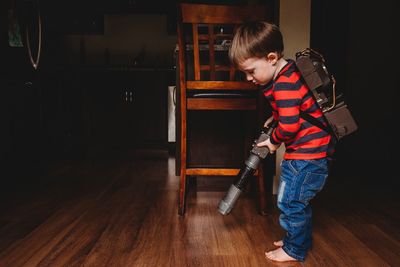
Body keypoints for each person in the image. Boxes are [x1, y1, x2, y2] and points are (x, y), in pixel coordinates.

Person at [229, 21, 331, 262]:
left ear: (272, 57)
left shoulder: (283, 83)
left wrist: (273, 142)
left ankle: (294, 249)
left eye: (251, 71)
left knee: (290, 201)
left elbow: (290, 125)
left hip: (307, 155)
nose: (248, 78)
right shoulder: (289, 72)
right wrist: (274, 116)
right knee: (295, 199)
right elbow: (295, 108)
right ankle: (296, 238)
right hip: (311, 151)